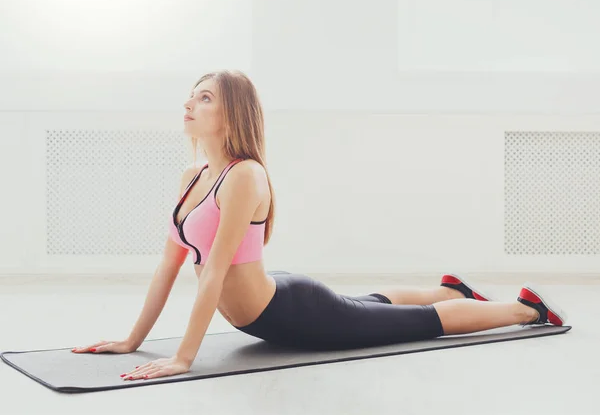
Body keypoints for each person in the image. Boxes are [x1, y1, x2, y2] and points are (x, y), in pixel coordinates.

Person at [72, 70, 567, 381]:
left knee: (416, 327)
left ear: (231, 113)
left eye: (203, 98)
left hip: (294, 313)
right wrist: (132, 339)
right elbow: (168, 265)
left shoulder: (243, 175)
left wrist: (183, 358)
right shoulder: (192, 176)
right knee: (367, 306)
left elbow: (215, 273)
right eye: (191, 96)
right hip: (277, 302)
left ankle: (527, 309)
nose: (189, 104)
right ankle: (451, 289)